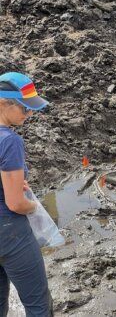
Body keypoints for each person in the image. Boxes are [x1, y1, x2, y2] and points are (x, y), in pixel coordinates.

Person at [0, 72, 52, 316]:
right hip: (10, 233)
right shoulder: (9, 141)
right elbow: (15, 203)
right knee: (38, 304)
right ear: (3, 103)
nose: (29, 114)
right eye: (24, 108)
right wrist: (36, 207)